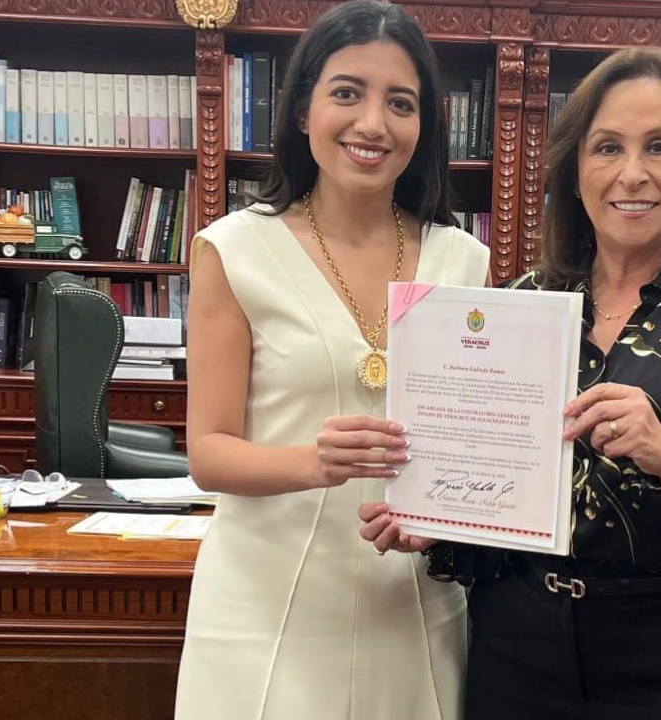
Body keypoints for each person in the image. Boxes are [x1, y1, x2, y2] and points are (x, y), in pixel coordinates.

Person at [360, 46, 661, 719]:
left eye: (659, 146)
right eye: (607, 148)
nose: (632, 174)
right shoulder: (521, 305)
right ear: (576, 168)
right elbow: (508, 504)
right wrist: (437, 521)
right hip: (519, 657)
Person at [175, 2, 490, 719]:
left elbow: (470, 449)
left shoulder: (464, 263)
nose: (373, 123)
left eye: (400, 103)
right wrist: (313, 463)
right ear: (302, 109)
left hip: (411, 602)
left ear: (424, 125)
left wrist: (449, 513)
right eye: (347, 92)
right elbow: (209, 453)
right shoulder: (235, 249)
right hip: (265, 608)